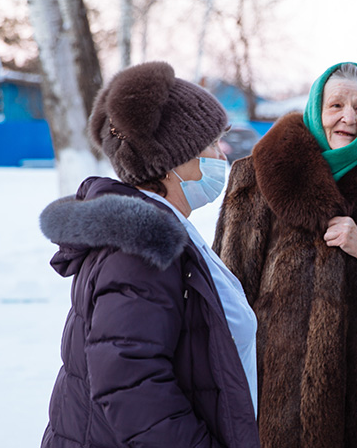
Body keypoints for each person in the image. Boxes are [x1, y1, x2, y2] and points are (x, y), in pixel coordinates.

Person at [39, 61, 260, 447]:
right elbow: (131, 386)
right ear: (172, 160)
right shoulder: (141, 247)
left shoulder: (164, 230)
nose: (222, 153)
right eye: (210, 143)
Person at [212, 62, 357, 448]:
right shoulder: (257, 176)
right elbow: (228, 298)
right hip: (273, 397)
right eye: (336, 105)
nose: (347, 119)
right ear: (317, 107)